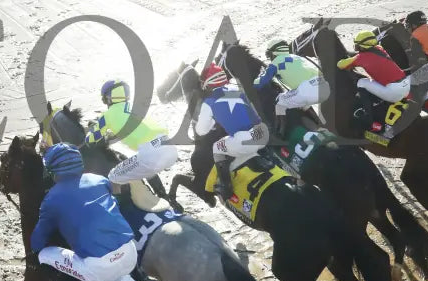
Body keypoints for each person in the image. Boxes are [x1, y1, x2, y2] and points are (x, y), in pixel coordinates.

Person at [28, 144, 154, 281]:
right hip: (130, 256)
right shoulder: (99, 180)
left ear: (53, 171)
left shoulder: (51, 199)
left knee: (43, 255)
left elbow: (37, 241)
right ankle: (141, 277)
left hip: (99, 271)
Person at [84, 80, 178, 186]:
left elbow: (89, 140)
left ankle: (114, 202)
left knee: (113, 176)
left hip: (151, 153)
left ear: (108, 98)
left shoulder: (107, 116)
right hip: (169, 147)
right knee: (144, 168)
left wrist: (92, 129)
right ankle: (161, 194)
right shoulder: (136, 107)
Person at [195, 64, 268, 200]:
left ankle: (225, 186)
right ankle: (265, 158)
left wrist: (211, 122)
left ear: (207, 83)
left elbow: (201, 131)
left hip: (243, 141)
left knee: (217, 147)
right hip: (262, 134)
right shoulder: (237, 90)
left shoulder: (209, 102)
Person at [337, 30, 411, 133]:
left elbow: (341, 65)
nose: (356, 47)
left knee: (362, 82)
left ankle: (369, 118)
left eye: (357, 45)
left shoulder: (361, 57)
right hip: (406, 87)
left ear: (362, 46)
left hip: (393, 92)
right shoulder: (380, 49)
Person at [253, 38, 330, 135]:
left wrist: (254, 81)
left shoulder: (276, 62)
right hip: (325, 86)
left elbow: (260, 83)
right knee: (300, 100)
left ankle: (280, 130)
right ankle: (320, 127)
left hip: (308, 90)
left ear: (274, 53)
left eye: (270, 55)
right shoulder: (297, 57)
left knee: (280, 101)